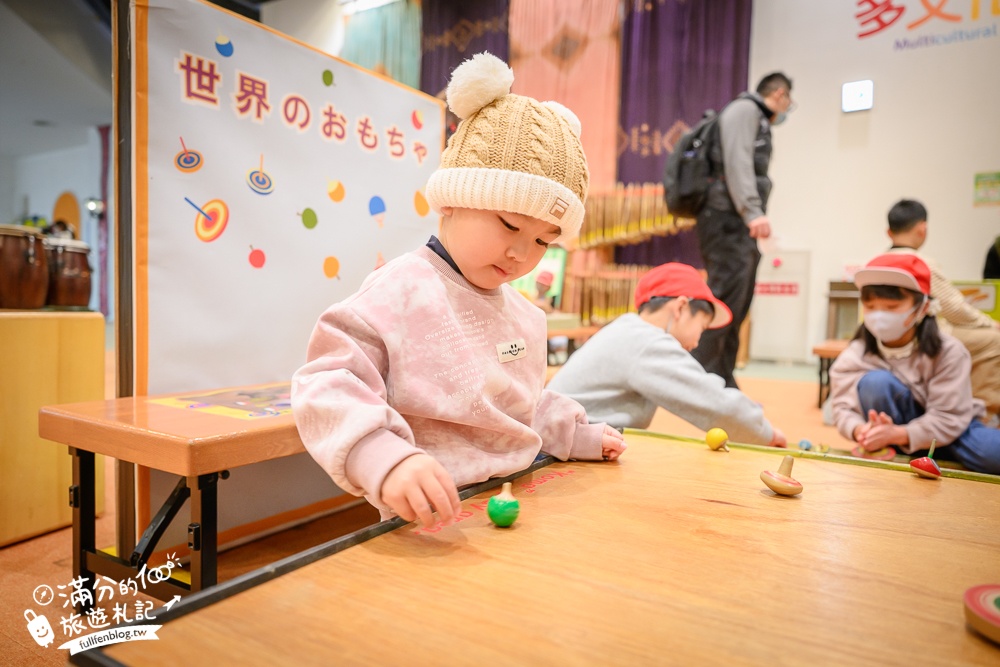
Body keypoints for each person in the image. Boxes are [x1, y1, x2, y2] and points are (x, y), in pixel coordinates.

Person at [291, 52, 626, 529]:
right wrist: (385, 458)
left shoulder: (526, 316)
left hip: (522, 493)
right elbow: (327, 385)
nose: (521, 255)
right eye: (509, 224)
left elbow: (521, 402)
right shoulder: (402, 291)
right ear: (451, 200)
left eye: (542, 241)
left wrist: (574, 435)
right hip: (433, 516)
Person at [547, 262, 787, 447]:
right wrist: (767, 433)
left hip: (567, 441)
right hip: (559, 451)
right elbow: (716, 405)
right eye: (702, 327)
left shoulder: (629, 331)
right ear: (681, 307)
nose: (696, 342)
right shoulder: (645, 341)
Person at [829, 253, 1000, 475]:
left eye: (891, 307)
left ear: (923, 307)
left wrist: (900, 434)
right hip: (893, 435)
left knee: (993, 454)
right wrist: (861, 430)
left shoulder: (949, 351)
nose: (879, 316)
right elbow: (842, 408)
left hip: (952, 433)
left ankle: (913, 451)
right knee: (875, 383)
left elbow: (949, 417)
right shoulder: (857, 352)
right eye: (870, 307)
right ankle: (895, 452)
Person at [691, 72, 795, 389]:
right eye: (789, 100)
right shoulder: (744, 110)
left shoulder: (756, 117)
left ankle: (723, 378)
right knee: (723, 301)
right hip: (726, 219)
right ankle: (701, 380)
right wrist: (752, 210)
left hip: (738, 223)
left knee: (739, 303)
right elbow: (738, 162)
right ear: (779, 94)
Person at [885, 199, 1000, 422]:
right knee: (994, 341)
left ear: (889, 232)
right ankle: (979, 414)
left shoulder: (878, 261)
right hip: (924, 336)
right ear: (922, 228)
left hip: (893, 336)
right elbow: (955, 309)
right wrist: (991, 323)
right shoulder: (921, 263)